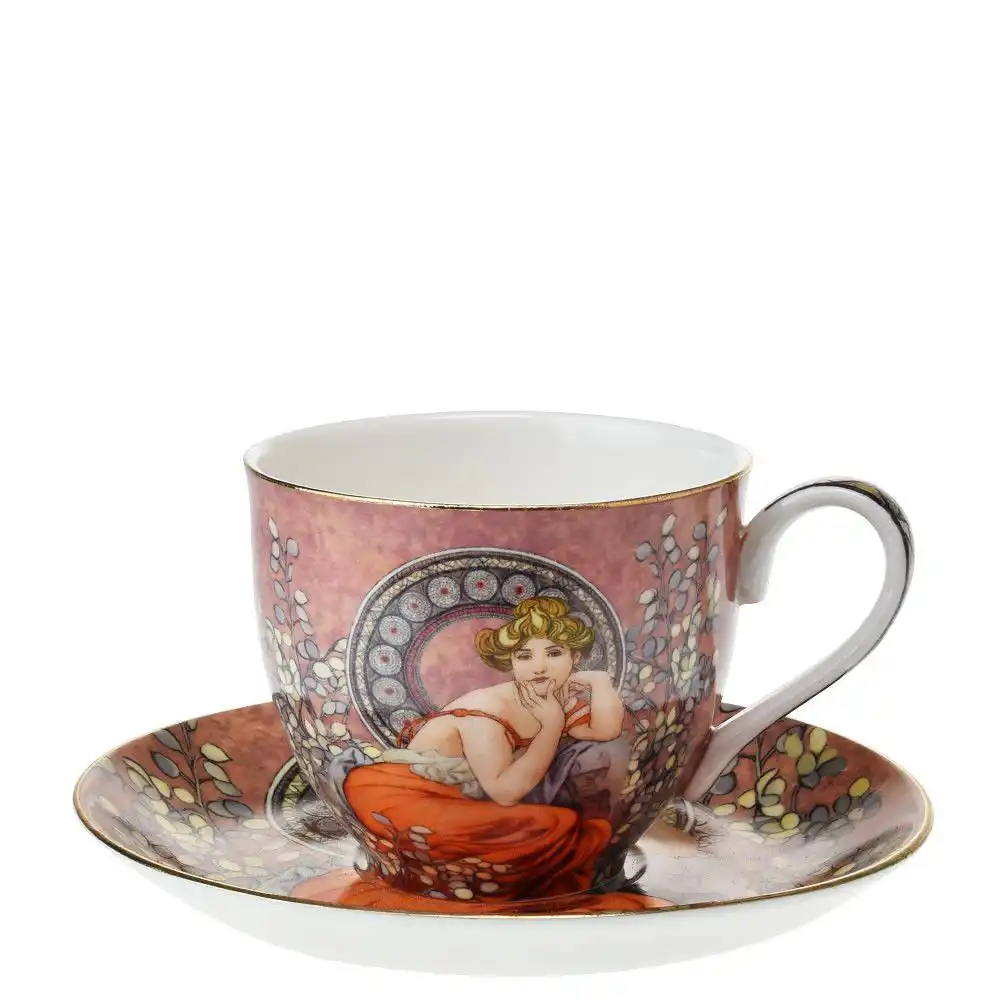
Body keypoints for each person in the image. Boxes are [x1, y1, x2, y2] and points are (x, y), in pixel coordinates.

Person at [318, 596, 647, 911]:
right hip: (402, 792)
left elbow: (606, 731)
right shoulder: (487, 709)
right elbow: (505, 792)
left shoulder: (555, 700)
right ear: (510, 662)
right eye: (524, 656)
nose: (539, 667)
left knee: (566, 823)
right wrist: (551, 726)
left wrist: (600, 684)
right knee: (553, 827)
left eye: (554, 653)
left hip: (460, 799)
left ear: (575, 658)